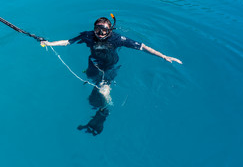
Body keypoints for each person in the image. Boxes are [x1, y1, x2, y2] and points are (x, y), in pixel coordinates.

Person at [40, 15, 182, 136]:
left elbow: (143, 46)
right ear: (94, 28)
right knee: (93, 82)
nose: (100, 33)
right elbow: (68, 42)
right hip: (93, 64)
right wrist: (49, 43)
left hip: (109, 67)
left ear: (110, 30)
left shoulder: (118, 39)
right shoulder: (88, 36)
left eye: (104, 30)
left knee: (103, 89)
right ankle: (101, 102)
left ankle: (106, 109)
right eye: (97, 29)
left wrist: (163, 56)